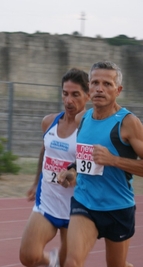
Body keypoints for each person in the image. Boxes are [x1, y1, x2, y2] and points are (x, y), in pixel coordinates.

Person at [59, 61, 143, 267]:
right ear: (89, 88)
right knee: (71, 263)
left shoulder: (128, 123)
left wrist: (113, 160)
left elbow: (106, 159)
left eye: (107, 84)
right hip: (85, 202)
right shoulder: (83, 119)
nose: (99, 88)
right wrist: (72, 171)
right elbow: (86, 158)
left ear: (118, 90)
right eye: (95, 82)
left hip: (117, 207)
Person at [19, 68, 90, 267]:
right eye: (65, 94)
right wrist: (35, 182)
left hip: (76, 209)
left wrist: (74, 175)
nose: (69, 100)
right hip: (48, 202)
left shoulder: (90, 130)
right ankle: (52, 262)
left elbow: (93, 167)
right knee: (27, 256)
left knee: (72, 264)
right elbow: (45, 152)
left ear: (88, 95)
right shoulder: (49, 122)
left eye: (75, 95)